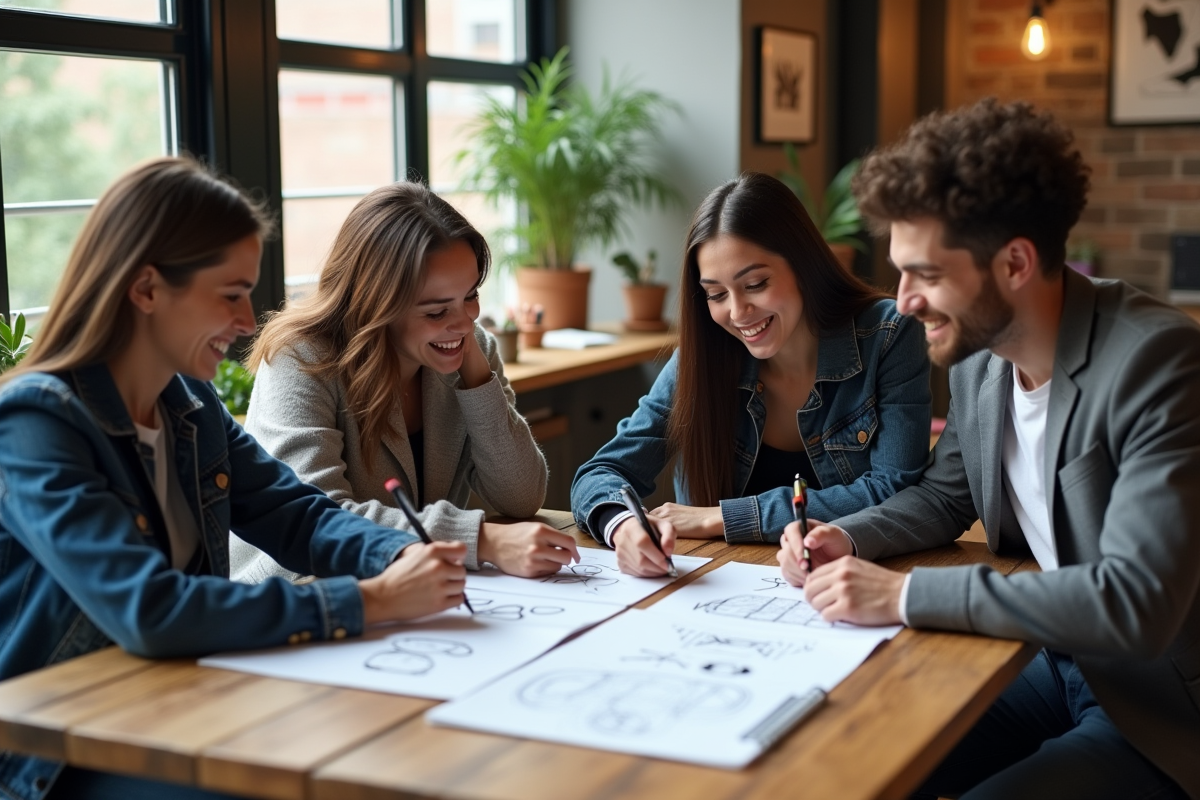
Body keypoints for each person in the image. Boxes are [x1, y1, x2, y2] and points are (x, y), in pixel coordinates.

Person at [0, 157, 469, 800]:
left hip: (178, 703)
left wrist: (404, 555)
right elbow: (151, 610)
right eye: (230, 294)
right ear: (145, 290)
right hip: (55, 757)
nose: (249, 320)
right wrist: (374, 600)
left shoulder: (191, 406)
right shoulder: (34, 425)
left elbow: (295, 514)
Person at [779, 98, 1199, 799]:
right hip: (1048, 663)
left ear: (1015, 263)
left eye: (927, 274)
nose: (903, 299)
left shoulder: (1158, 362)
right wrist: (844, 539)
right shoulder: (979, 359)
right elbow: (948, 495)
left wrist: (907, 595)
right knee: (844, 756)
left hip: (1158, 707)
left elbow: (1136, 601)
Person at [572, 172, 932, 577]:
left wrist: (721, 518)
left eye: (756, 283)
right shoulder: (704, 355)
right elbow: (602, 473)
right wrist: (622, 528)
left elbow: (895, 488)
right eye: (716, 294)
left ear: (803, 265)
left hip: (853, 579)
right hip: (717, 587)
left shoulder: (888, 333)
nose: (738, 312)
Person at [231, 182, 577, 584]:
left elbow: (520, 497)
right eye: (436, 311)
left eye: (470, 295)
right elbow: (318, 521)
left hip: (402, 589)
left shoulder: (469, 347)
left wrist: (478, 377)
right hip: (293, 593)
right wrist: (480, 540)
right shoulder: (301, 359)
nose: (465, 322)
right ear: (377, 306)